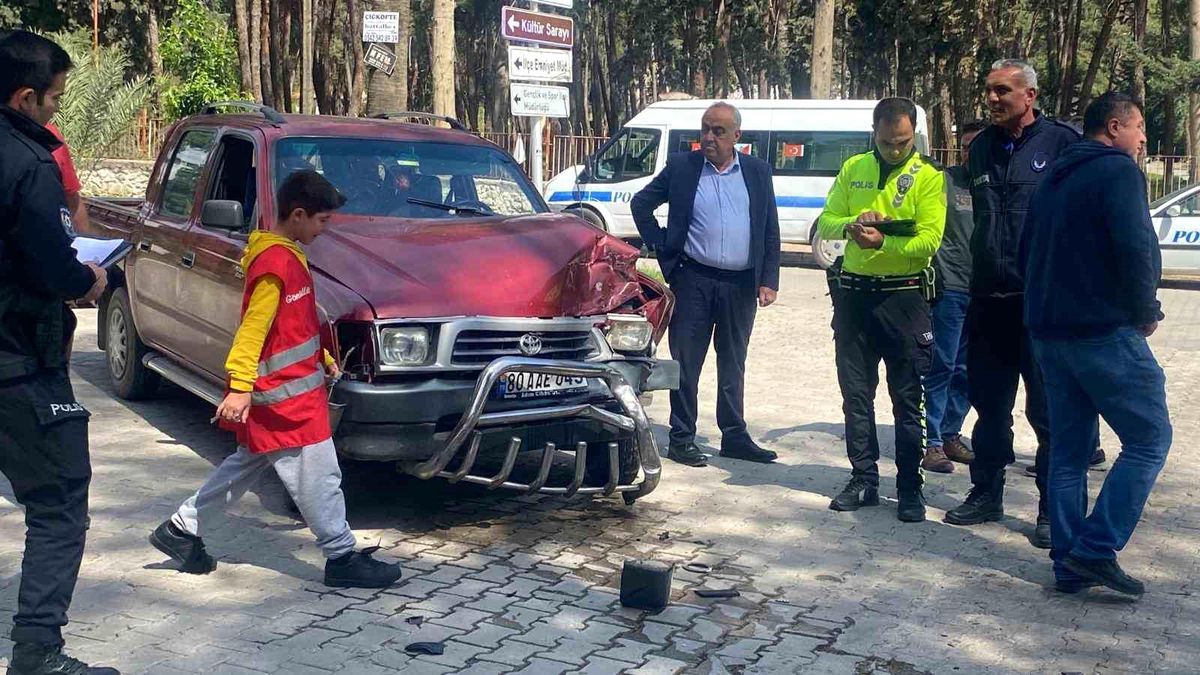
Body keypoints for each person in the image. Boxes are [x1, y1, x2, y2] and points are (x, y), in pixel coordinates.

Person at [148, 170, 403, 589]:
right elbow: (253, 329)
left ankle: (180, 529)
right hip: (286, 402)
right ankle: (341, 556)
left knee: (242, 469)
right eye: (322, 220)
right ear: (298, 215)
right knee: (319, 476)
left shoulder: (287, 254)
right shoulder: (275, 263)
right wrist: (240, 388)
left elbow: (291, 325)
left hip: (287, 394)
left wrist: (321, 356)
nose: (327, 228)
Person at [0, 31, 119, 675]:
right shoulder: (28, 163)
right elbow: (53, 263)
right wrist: (90, 281)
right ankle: (37, 653)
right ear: (25, 97)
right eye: (54, 100)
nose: (57, 112)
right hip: (18, 362)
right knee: (59, 501)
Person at [1021, 93, 1169, 597]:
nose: (1144, 138)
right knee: (1150, 439)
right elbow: (1134, 246)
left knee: (1069, 451)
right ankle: (1095, 548)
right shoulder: (1118, 171)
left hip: (1049, 335)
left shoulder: (1051, 180)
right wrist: (1145, 310)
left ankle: (1068, 564)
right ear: (1113, 127)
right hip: (1102, 332)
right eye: (1140, 127)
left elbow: (1027, 253)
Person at [943, 59, 1081, 549]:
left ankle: (1050, 506)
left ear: (1030, 95)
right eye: (989, 91)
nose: (993, 99)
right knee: (989, 406)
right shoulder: (980, 149)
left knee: (1046, 412)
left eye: (1002, 90)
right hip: (988, 301)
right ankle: (985, 493)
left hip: (1039, 304)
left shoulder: (1063, 144)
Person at [815, 97, 947, 522]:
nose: (895, 149)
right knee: (856, 397)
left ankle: (910, 488)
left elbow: (930, 240)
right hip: (854, 299)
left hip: (904, 299)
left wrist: (885, 242)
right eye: (888, 142)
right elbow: (828, 220)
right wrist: (852, 225)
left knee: (908, 399)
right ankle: (864, 479)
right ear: (874, 132)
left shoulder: (926, 176)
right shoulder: (854, 168)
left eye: (903, 142)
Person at [630, 101, 782, 468]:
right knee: (687, 362)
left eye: (719, 131)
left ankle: (734, 436)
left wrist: (769, 279)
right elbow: (641, 204)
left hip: (741, 285)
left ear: (736, 137)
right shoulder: (684, 167)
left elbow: (769, 230)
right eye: (705, 129)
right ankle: (682, 437)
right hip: (693, 279)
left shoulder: (758, 172)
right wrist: (664, 246)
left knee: (733, 362)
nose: (710, 137)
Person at [921, 120, 985, 473]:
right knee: (940, 365)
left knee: (967, 370)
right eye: (964, 145)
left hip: (986, 293)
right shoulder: (945, 182)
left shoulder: (995, 185)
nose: (967, 152)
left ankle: (950, 434)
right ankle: (930, 442)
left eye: (975, 145)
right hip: (950, 290)